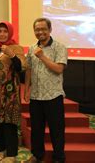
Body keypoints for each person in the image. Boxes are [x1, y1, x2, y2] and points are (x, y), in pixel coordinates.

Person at [24, 18, 67, 163]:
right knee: (36, 130)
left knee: (56, 130)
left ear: (50, 30)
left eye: (43, 29)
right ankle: (38, 155)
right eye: (37, 29)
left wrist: (42, 56)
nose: (40, 32)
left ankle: (59, 157)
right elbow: (29, 69)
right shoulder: (31, 48)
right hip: (36, 96)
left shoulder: (59, 47)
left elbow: (59, 68)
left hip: (53, 95)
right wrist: (27, 89)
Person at [0, 21, 26, 162]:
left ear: (10, 32)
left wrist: (13, 55)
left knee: (9, 123)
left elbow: (22, 68)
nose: (2, 34)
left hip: (10, 92)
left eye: (5, 31)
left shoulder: (16, 48)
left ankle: (11, 154)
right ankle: (0, 150)